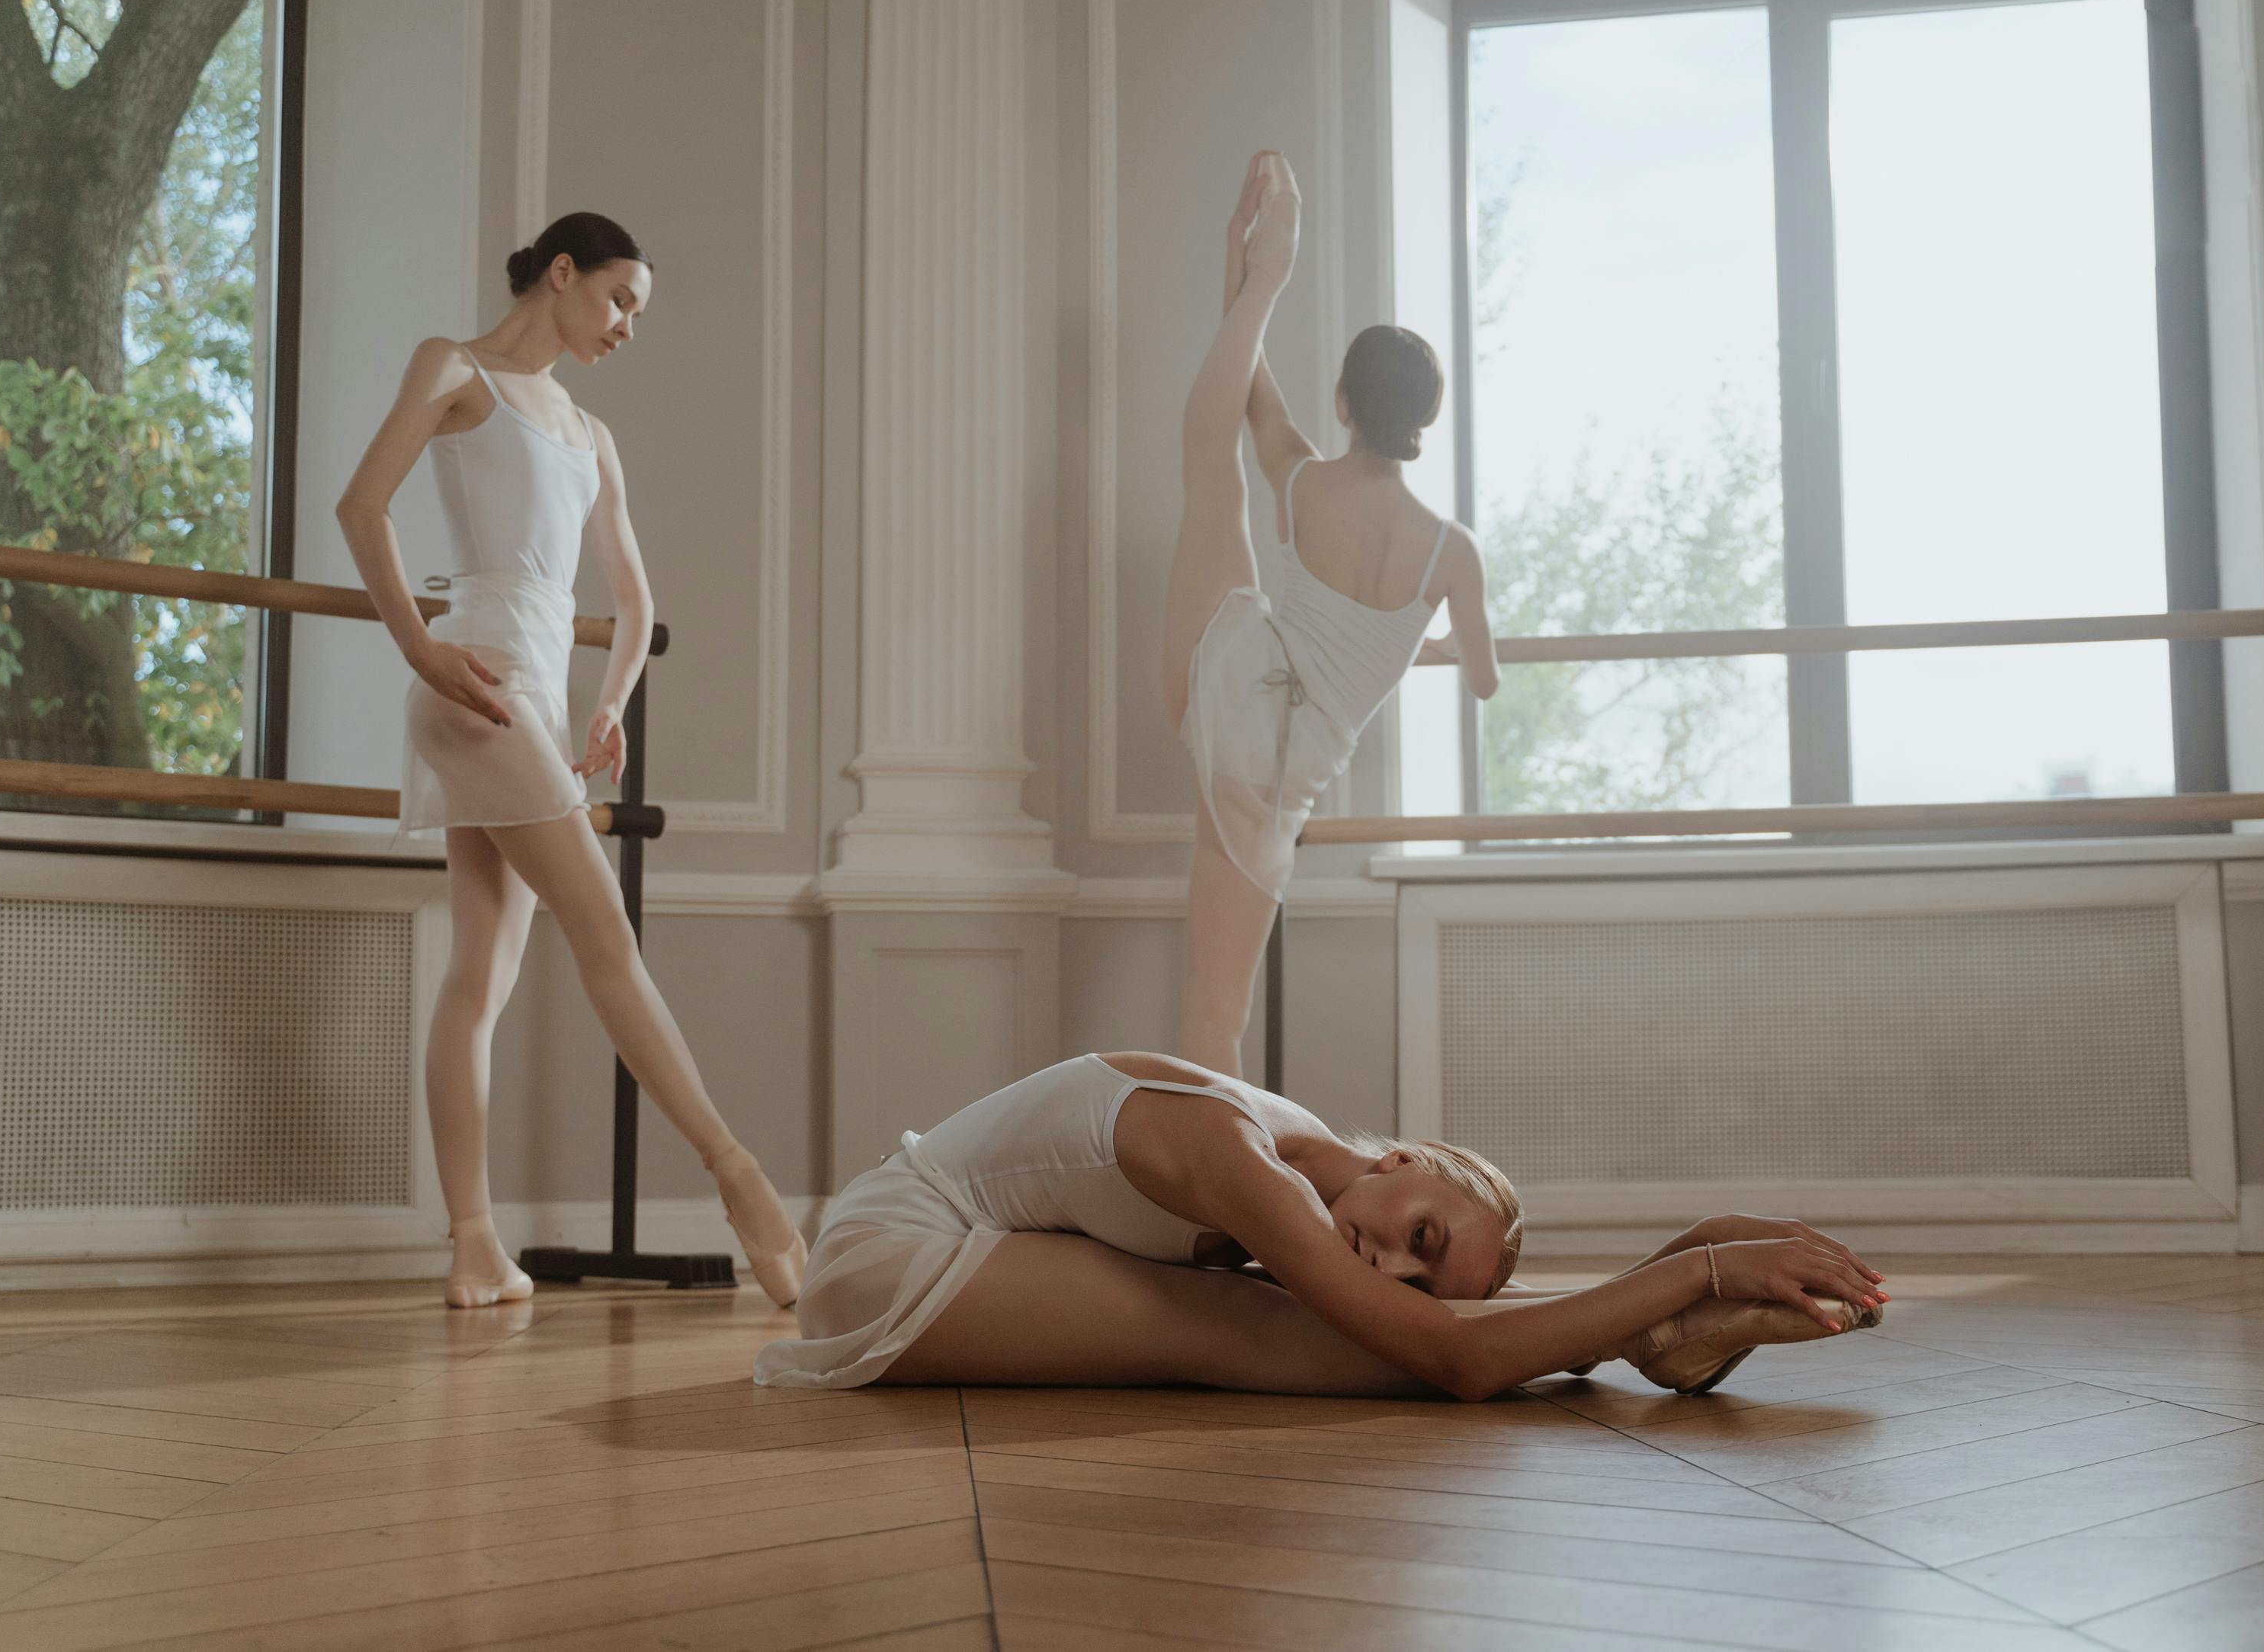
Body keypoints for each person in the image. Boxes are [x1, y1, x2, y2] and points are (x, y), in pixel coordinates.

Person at [336, 211, 807, 1311]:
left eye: (637, 311)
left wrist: (611, 704)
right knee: (607, 940)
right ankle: (742, 1181)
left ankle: (474, 1244)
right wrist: (421, 647)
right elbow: (362, 506)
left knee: (481, 974)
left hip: (536, 707)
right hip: (480, 685)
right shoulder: (455, 369)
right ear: (560, 272)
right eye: (618, 299)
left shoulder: (592, 435)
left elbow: (634, 602)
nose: (627, 326)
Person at [755, 1051, 1886, 1400]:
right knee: (1233, 1329)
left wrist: (1680, 1261)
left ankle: (1636, 1333)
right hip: (895, 1252)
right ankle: (1642, 1331)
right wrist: (1699, 1266)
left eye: (1417, 1278)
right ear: (1404, 1158)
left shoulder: (1307, 1164)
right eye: (1422, 1237)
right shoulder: (1242, 1154)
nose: (1388, 1264)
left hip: (1004, 1248)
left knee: (1290, 1322)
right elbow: (1453, 1360)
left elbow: (1436, 1334)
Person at [1165, 152, 1501, 1076]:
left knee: (1212, 469)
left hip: (1229, 693)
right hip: (1283, 770)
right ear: (1424, 418)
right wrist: (1426, 642)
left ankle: (1266, 275)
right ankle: (1225, 1169)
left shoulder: (1307, 482)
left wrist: (1241, 259)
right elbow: (1483, 681)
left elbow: (1246, 394)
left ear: (1345, 403)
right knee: (1217, 1015)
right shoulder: (1453, 553)